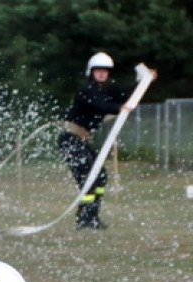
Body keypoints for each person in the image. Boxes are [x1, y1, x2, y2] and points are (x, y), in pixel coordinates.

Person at [57, 52, 154, 230]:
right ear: (91, 72)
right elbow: (100, 105)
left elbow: (125, 94)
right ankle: (84, 218)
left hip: (81, 140)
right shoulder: (87, 90)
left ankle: (92, 216)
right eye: (98, 71)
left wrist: (143, 82)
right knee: (88, 177)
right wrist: (120, 108)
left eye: (105, 71)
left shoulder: (104, 90)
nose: (102, 74)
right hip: (70, 139)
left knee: (100, 176)